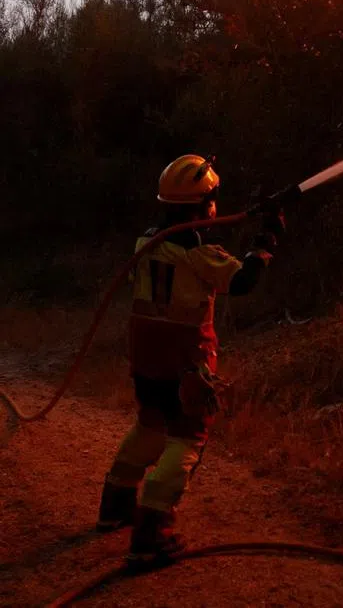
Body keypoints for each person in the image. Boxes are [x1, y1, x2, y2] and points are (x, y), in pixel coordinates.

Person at [95, 154, 281, 567]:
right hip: (184, 362)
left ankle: (116, 506)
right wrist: (267, 242)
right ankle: (151, 533)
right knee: (187, 438)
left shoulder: (147, 243)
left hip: (146, 356)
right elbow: (242, 281)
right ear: (203, 204)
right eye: (212, 199)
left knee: (150, 423)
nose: (216, 206)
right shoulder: (197, 252)